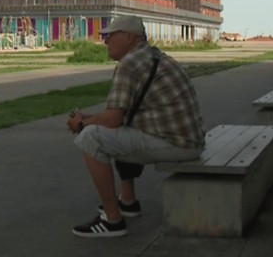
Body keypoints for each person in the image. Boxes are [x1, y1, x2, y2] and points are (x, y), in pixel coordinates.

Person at [66, 15, 205, 238]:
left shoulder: (129, 64)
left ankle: (112, 221)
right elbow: (120, 116)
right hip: (188, 139)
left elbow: (112, 119)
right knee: (113, 130)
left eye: (110, 36)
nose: (105, 41)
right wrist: (89, 117)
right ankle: (127, 202)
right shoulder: (152, 55)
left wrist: (82, 123)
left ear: (129, 37)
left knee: (90, 137)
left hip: (177, 144)